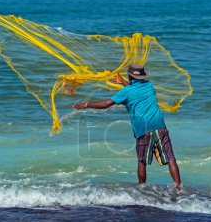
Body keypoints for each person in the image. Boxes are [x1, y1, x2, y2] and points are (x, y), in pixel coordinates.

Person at [73, 63, 182, 191]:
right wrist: (124, 82)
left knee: (142, 162)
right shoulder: (149, 85)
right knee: (170, 158)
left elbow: (105, 104)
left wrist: (86, 104)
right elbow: (135, 91)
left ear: (130, 76)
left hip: (143, 129)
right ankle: (179, 187)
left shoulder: (126, 91)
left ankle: (142, 189)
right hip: (160, 126)